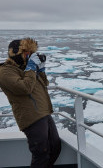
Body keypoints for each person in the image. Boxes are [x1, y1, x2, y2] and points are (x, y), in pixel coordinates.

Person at [0, 38, 61, 168]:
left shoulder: (27, 68)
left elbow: (45, 84)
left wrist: (41, 70)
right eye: (27, 53)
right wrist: (31, 68)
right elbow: (25, 88)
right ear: (17, 54)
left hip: (43, 113)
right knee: (41, 153)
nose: (29, 56)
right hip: (31, 116)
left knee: (55, 147)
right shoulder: (5, 72)